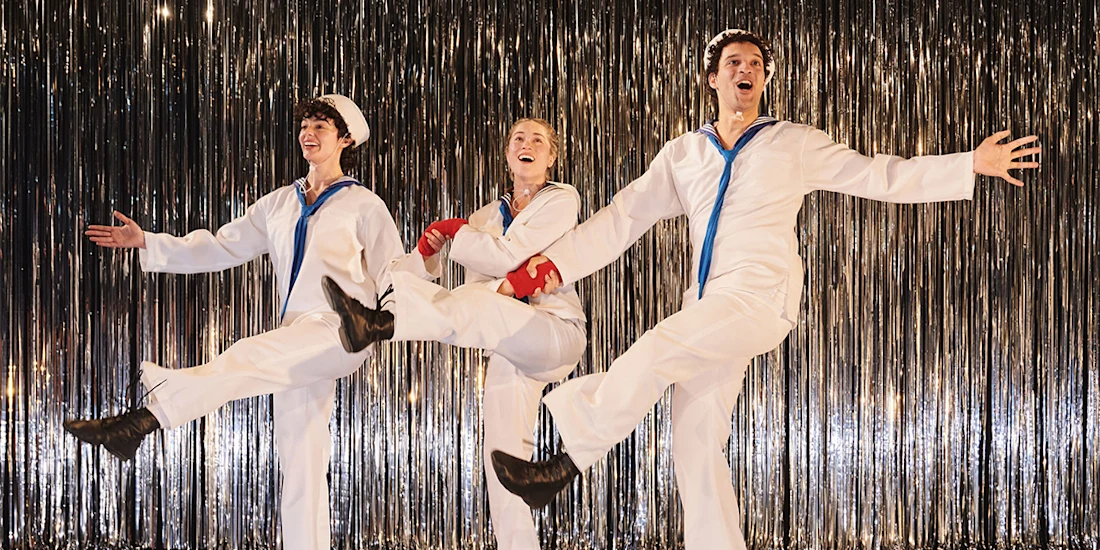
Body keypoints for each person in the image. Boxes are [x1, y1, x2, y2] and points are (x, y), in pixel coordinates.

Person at [489, 29, 1041, 550]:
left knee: (657, 348)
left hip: (757, 298)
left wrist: (968, 163)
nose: (746, 70)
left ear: (765, 79)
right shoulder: (684, 154)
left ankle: (564, 464)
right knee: (696, 445)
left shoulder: (792, 142)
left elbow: (878, 175)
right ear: (713, 79)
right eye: (734, 63)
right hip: (708, 307)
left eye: (755, 64)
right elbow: (621, 219)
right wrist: (550, 267)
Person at [65, 94, 438, 550]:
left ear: (345, 139)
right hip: (294, 339)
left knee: (245, 356)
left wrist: (411, 294)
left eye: (321, 126)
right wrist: (149, 242)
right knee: (300, 465)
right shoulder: (280, 202)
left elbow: (392, 273)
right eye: (304, 125)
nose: (308, 133)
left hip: (343, 332)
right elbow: (221, 247)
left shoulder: (364, 205)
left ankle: (146, 418)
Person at [320, 118, 586, 550]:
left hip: (555, 331)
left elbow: (508, 256)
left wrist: (454, 234)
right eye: (518, 137)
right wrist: (426, 252)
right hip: (506, 342)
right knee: (503, 465)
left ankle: (383, 324)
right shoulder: (484, 217)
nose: (527, 144)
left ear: (551, 157)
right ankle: (380, 314)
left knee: (478, 303)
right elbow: (471, 282)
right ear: (506, 153)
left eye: (538, 140)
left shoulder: (561, 198)